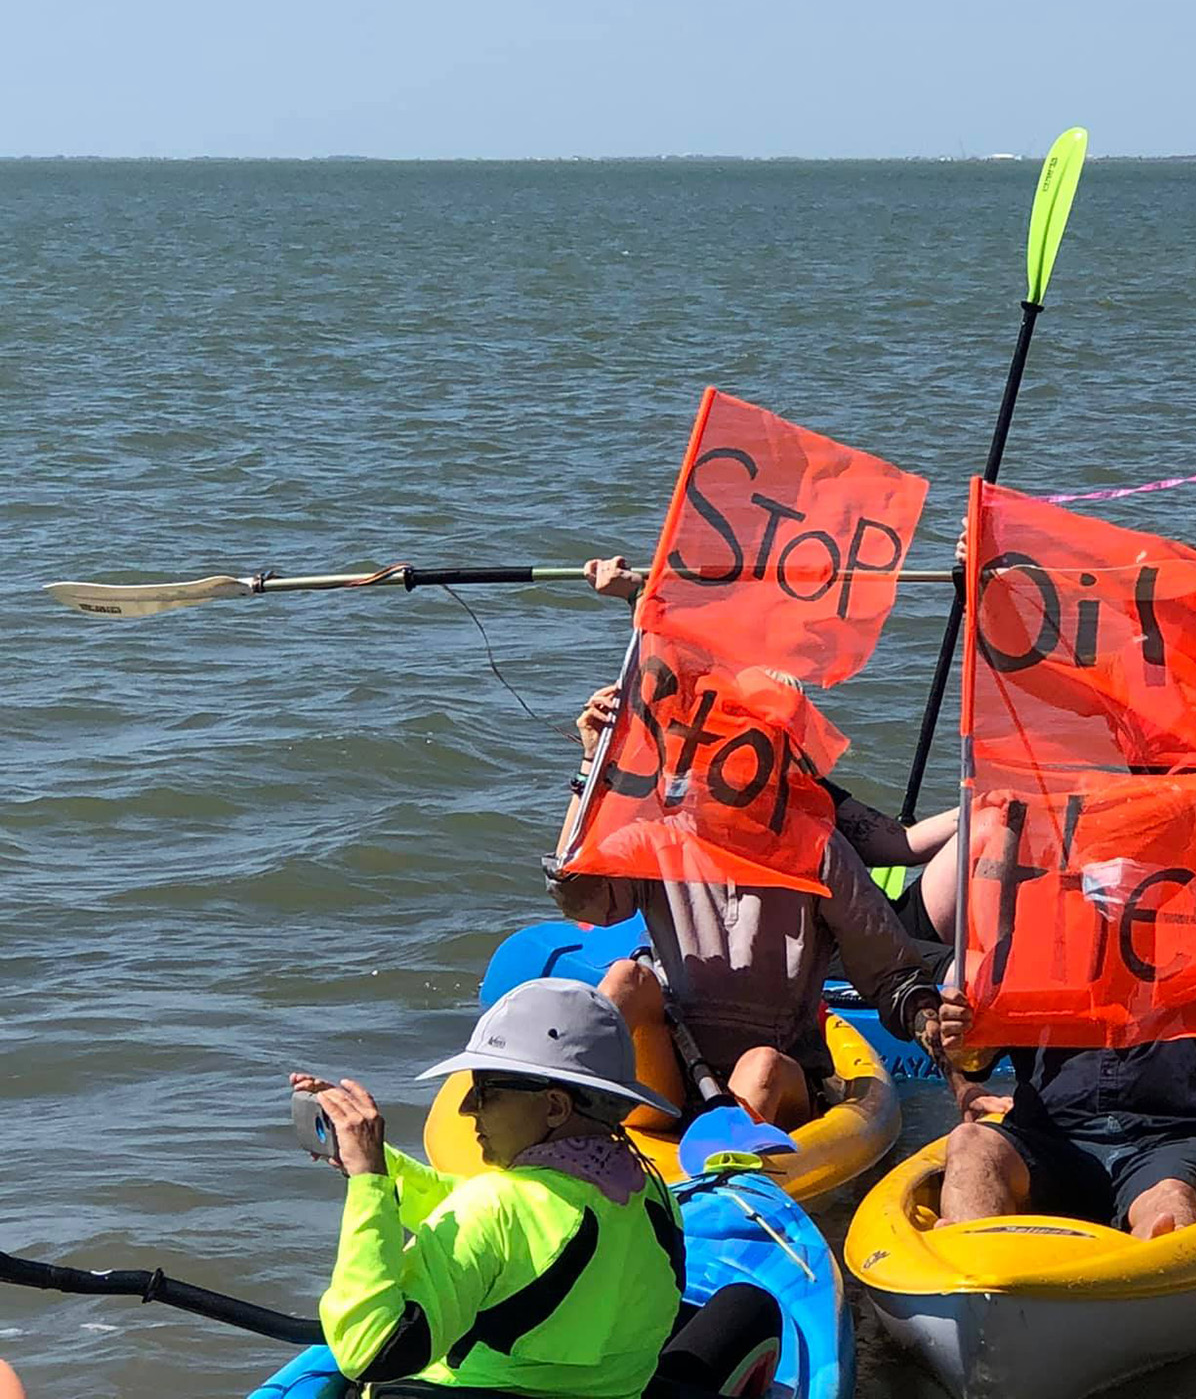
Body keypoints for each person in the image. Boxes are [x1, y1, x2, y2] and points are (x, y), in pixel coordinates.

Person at [908, 430, 1196, 948]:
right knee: (1066, 810)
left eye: (1179, 591)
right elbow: (1027, 668)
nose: (1166, 606)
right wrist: (978, 579)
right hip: (1169, 830)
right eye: (1153, 594)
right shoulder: (1121, 667)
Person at [294, 978, 781, 1398]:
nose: (467, 1109)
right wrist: (378, 1165)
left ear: (554, 1107)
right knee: (750, 1307)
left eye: (485, 1090)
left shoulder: (497, 1208)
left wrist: (369, 1186)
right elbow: (495, 1220)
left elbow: (370, 1351)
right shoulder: (647, 1193)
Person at [932, 759, 1196, 1239]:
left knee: (1171, 1200)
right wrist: (959, 1038)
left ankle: (1149, 1289)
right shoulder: (1037, 939)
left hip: (1181, 1143)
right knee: (971, 1146)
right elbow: (975, 1056)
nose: (1118, 865)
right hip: (1053, 1142)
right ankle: (976, 1278)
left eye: (1140, 847)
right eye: (1106, 845)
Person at [549, 682, 946, 1133]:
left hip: (780, 1077)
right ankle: (558, 1108)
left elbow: (890, 973)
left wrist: (927, 1020)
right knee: (628, 978)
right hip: (677, 1069)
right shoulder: (662, 836)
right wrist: (593, 764)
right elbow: (579, 894)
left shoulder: (818, 850)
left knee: (760, 1068)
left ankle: (726, 1176)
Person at [583, 553, 963, 942]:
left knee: (991, 819)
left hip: (872, 934)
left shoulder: (802, 788)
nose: (777, 734)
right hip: (800, 957)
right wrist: (639, 598)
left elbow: (904, 844)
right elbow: (672, 684)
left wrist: (980, 805)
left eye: (785, 723)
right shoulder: (689, 795)